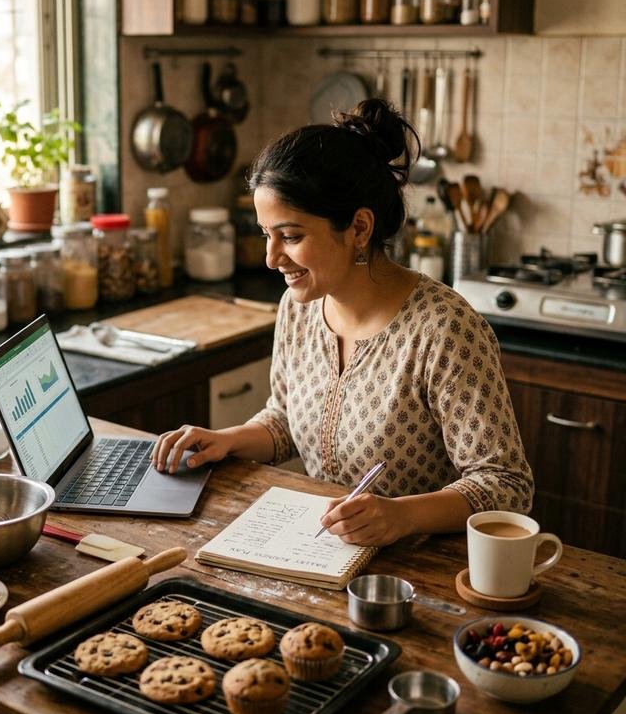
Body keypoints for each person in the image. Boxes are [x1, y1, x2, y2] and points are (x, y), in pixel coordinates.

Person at [152, 99, 534, 547]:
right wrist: (227, 440)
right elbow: (286, 418)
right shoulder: (298, 307)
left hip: (424, 571)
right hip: (326, 553)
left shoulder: (445, 331)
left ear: (359, 228)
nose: (271, 259)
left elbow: (505, 485)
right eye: (266, 235)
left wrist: (400, 516)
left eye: (291, 237)